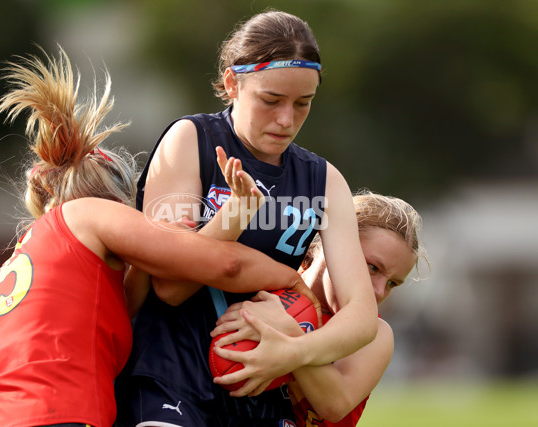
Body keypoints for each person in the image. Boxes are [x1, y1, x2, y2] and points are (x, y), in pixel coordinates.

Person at [0, 46, 315, 427]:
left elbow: (124, 304)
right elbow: (226, 264)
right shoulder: (88, 214)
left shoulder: (10, 276)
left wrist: (153, 263)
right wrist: (293, 280)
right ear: (120, 206)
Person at [114, 9, 378, 427]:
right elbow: (170, 286)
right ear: (233, 83)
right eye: (271, 100)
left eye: (303, 104)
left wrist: (292, 352)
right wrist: (233, 216)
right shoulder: (189, 140)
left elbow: (362, 316)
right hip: (170, 382)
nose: (287, 119)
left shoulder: (325, 181)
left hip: (262, 393)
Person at [210, 190, 428, 426]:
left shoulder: (375, 334)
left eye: (392, 284)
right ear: (334, 243)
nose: (378, 291)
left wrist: (290, 333)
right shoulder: (270, 287)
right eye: (373, 267)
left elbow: (335, 404)